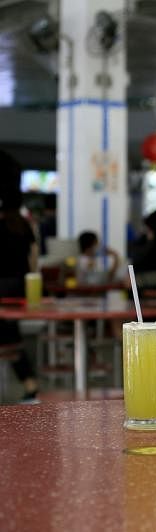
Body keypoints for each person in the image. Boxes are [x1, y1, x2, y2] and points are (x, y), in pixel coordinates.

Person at [0, 150, 39, 403]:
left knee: (6, 330)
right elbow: (33, 260)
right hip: (21, 289)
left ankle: (30, 383)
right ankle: (30, 384)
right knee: (7, 331)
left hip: (3, 290)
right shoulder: (24, 225)